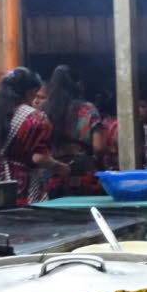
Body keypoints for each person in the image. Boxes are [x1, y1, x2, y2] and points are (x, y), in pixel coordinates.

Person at [0, 67, 69, 204]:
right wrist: (59, 166)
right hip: (20, 186)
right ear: (29, 92)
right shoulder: (36, 118)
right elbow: (39, 158)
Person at [42, 65, 105, 197]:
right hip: (82, 171)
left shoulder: (43, 111)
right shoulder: (87, 109)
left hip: (51, 172)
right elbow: (99, 147)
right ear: (78, 85)